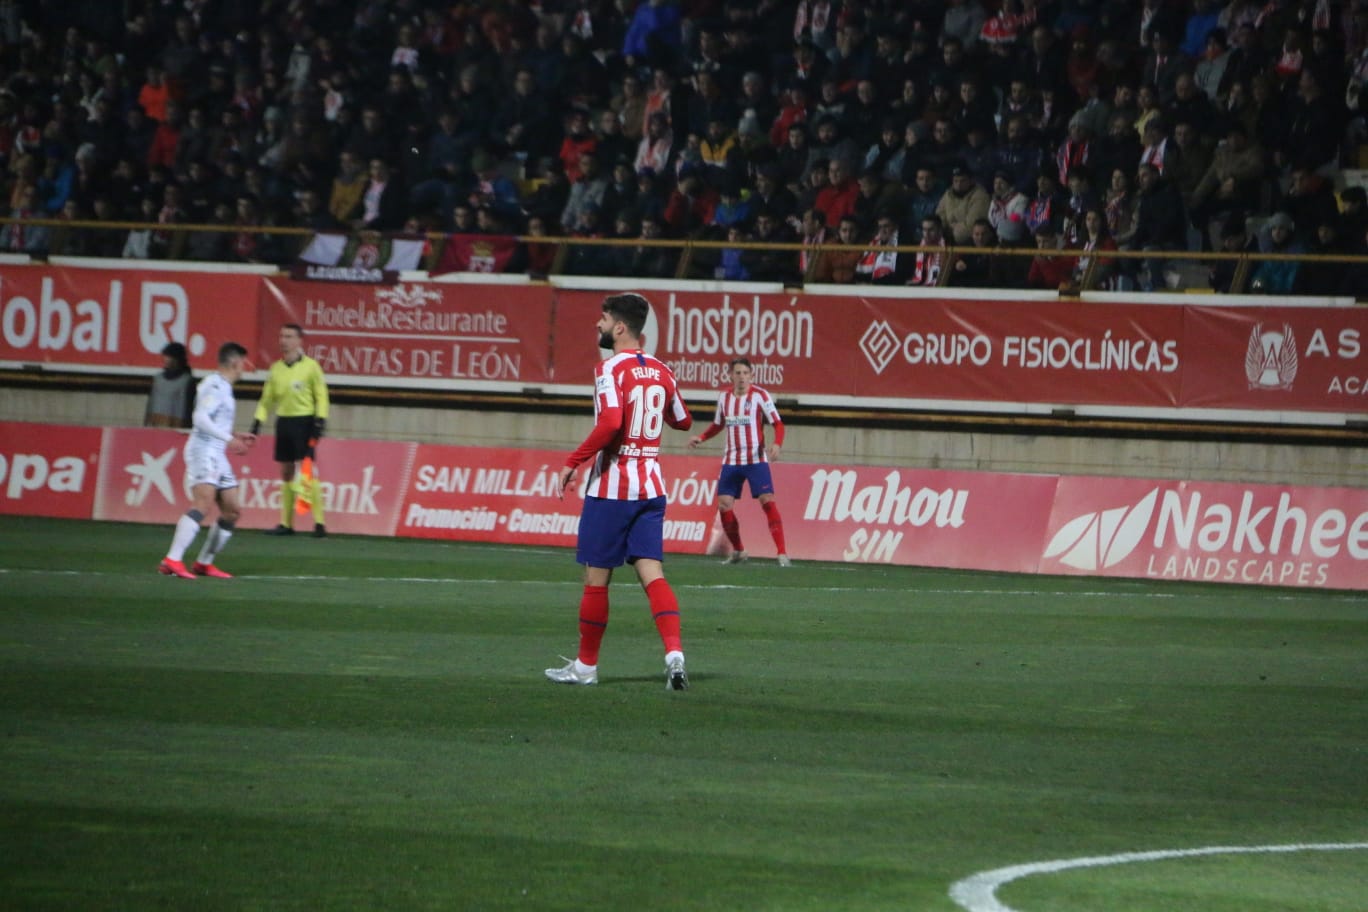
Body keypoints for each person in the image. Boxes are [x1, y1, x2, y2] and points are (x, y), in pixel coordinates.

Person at [546, 293, 694, 690]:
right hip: (652, 486)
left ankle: (586, 667)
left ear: (620, 327)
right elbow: (683, 421)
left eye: (603, 318)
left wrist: (573, 461)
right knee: (653, 574)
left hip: (613, 487)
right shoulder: (663, 371)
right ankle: (674, 653)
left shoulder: (609, 370)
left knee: (597, 580)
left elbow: (611, 422)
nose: (598, 324)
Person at [157, 341, 254, 580]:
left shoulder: (224, 388)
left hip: (217, 453)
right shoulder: (214, 385)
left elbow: (214, 422)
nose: (245, 367)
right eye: (243, 362)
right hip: (204, 451)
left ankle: (203, 563)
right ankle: (172, 559)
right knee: (203, 503)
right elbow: (199, 419)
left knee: (231, 511)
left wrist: (232, 435)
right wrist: (228, 439)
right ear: (234, 362)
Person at [688, 358, 790, 567]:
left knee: (767, 500)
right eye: (737, 373)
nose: (741, 377)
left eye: (745, 373)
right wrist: (702, 437)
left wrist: (777, 444)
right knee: (724, 505)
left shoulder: (760, 396)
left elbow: (778, 423)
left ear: (751, 376)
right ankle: (739, 551)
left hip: (755, 460)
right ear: (731, 376)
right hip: (731, 460)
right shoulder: (724, 397)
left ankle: (782, 553)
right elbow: (718, 424)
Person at [251, 323, 331, 537]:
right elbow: (266, 399)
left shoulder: (311, 367)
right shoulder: (276, 369)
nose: (283, 340)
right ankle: (286, 524)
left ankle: (320, 523)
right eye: (281, 336)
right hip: (283, 422)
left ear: (299, 341)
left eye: (288, 336)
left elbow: (321, 395)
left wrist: (320, 420)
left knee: (306, 470)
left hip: (304, 422)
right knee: (286, 471)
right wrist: (258, 422)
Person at [145, 341, 195, 428]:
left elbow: (188, 410)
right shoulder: (158, 379)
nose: (166, 359)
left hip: (176, 427)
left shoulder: (186, 381)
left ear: (178, 359)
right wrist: (146, 424)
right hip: (155, 427)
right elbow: (151, 405)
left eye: (170, 356)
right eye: (165, 356)